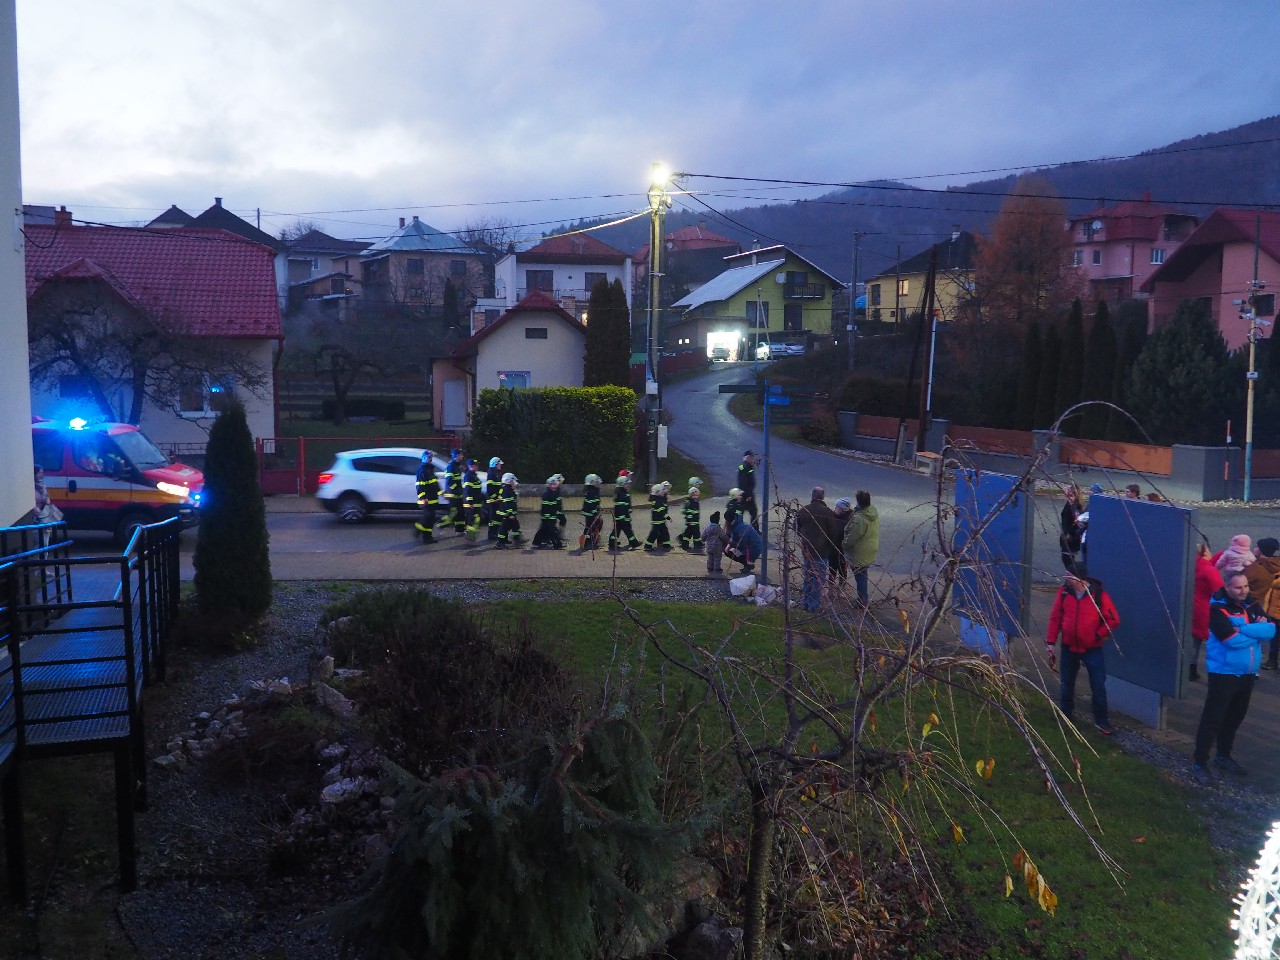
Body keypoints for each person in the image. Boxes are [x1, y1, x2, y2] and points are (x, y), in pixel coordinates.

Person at [1191, 570, 1275, 782]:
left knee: (1235, 717)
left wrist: (1243, 629)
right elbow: (1230, 640)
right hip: (1224, 672)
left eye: (1245, 586)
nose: (1243, 591)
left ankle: (1223, 756)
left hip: (1247, 673)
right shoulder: (1217, 609)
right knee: (1213, 718)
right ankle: (1200, 762)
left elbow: (1270, 630)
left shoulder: (1251, 603)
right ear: (1227, 587)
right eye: (1238, 587)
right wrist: (1255, 632)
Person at [1045, 563, 1121, 736]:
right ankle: (1066, 715)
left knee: (1098, 686)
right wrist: (1050, 642)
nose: (1065, 577)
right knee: (1066, 683)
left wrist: (1097, 635)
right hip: (1069, 647)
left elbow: (1113, 619)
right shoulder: (1064, 593)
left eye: (1069, 575)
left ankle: (1101, 721)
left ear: (1079, 578)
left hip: (1092, 649)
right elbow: (1055, 618)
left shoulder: (1099, 596)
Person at [795, 487, 836, 612]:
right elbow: (833, 533)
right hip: (822, 551)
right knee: (818, 579)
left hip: (807, 550)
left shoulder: (803, 510)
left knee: (808, 578)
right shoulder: (828, 512)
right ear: (823, 497)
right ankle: (813, 605)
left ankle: (806, 602)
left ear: (812, 496)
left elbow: (797, 528)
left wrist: (805, 538)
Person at [1245, 537, 1280, 670]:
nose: (1254, 549)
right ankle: (1272, 660)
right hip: (1269, 607)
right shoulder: (1270, 564)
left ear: (1261, 550)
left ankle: (1269, 662)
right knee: (1274, 637)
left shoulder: (1261, 567)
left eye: (1257, 547)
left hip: (1269, 607)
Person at [1191, 542, 1224, 681]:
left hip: (1194, 607)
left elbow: (1210, 562)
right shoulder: (1209, 570)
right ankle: (1216, 675)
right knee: (1215, 643)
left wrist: (1224, 553)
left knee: (1194, 641)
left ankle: (1190, 669)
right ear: (1205, 552)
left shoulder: (1193, 565)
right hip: (1206, 610)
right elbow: (1219, 591)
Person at [843, 490, 879, 606]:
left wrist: (844, 544)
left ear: (858, 501)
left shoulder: (859, 518)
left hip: (860, 552)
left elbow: (853, 537)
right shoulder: (872, 512)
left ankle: (862, 600)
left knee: (860, 577)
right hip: (870, 548)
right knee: (863, 574)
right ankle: (863, 598)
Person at [608, 470, 641, 551]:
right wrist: (623, 516)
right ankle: (634, 543)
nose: (628, 485)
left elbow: (626, 505)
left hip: (622, 516)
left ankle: (612, 543)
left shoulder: (622, 492)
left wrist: (628, 509)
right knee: (627, 530)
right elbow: (621, 507)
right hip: (622, 517)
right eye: (627, 484)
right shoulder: (621, 494)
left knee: (617, 530)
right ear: (622, 484)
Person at [532, 474, 566, 549]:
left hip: (551, 516)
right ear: (550, 485)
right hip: (548, 517)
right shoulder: (547, 495)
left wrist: (557, 513)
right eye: (554, 484)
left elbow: (555, 506)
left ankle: (536, 543)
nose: (556, 486)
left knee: (543, 530)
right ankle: (557, 545)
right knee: (553, 531)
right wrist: (547, 516)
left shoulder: (553, 493)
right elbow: (545, 507)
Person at [413, 450, 440, 543]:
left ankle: (428, 537)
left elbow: (434, 483)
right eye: (428, 457)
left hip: (432, 498)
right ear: (423, 458)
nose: (430, 459)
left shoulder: (430, 469)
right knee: (427, 518)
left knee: (431, 518)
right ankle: (418, 530)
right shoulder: (422, 470)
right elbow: (419, 485)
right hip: (426, 499)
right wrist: (423, 498)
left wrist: (441, 492)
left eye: (431, 457)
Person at [493, 473, 523, 549]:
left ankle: (516, 540)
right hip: (507, 514)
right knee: (504, 529)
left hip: (508, 514)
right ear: (509, 481)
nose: (514, 483)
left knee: (513, 527)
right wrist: (510, 514)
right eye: (513, 481)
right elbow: (508, 504)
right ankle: (500, 543)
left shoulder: (507, 489)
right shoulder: (507, 490)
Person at [1059, 485, 1084, 573]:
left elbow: (1077, 521)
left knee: (1068, 560)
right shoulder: (1070, 504)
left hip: (1070, 536)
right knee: (1067, 559)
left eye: (1070, 494)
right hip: (1068, 535)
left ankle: (1075, 577)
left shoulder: (1074, 506)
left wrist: (1069, 534)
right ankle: (1073, 576)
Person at [644, 481, 672, 551]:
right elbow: (661, 511)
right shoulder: (658, 501)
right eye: (663, 491)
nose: (664, 492)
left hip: (660, 521)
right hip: (657, 521)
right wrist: (668, 517)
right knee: (654, 534)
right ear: (658, 492)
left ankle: (666, 545)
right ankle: (647, 546)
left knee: (665, 532)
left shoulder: (658, 499)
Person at [442, 448, 465, 533]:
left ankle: (460, 530)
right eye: (461, 454)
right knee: (453, 513)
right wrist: (456, 489)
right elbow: (449, 482)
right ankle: (440, 524)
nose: (462, 456)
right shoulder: (451, 466)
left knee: (460, 512)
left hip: (458, 493)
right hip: (453, 494)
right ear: (456, 456)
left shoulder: (457, 466)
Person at [580, 473, 603, 550]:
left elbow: (596, 503)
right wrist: (595, 512)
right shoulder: (591, 492)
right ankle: (587, 543)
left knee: (597, 524)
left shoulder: (594, 491)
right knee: (589, 527)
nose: (598, 484)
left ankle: (594, 540)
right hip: (590, 514)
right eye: (597, 482)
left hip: (593, 513)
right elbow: (591, 505)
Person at [461, 457, 483, 538]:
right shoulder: (469, 476)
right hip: (471, 503)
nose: (477, 466)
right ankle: (470, 537)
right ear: (470, 466)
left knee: (476, 520)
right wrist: (470, 502)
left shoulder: (473, 475)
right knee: (472, 520)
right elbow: (467, 490)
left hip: (475, 502)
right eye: (475, 465)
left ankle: (471, 536)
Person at [736, 451, 759, 528]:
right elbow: (743, 482)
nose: (753, 459)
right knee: (751, 512)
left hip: (746, 493)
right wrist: (748, 495)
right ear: (747, 457)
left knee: (749, 512)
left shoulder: (749, 466)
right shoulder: (744, 467)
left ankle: (740, 528)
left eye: (753, 457)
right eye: (751, 457)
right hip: (746, 494)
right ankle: (753, 529)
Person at [677, 484, 703, 552]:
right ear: (690, 495)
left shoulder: (696, 502)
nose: (696, 497)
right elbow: (688, 512)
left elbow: (696, 511)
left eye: (697, 495)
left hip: (695, 521)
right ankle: (696, 545)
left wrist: (697, 517)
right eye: (694, 495)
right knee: (695, 534)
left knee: (688, 533)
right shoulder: (690, 503)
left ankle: (685, 543)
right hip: (691, 522)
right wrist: (689, 520)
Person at [485, 456, 505, 540]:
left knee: (496, 517)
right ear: (494, 464)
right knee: (493, 518)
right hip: (493, 501)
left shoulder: (495, 474)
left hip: (496, 500)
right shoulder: (491, 474)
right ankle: (491, 534)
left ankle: (495, 533)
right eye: (499, 464)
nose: (500, 466)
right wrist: (494, 498)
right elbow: (490, 489)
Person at [703, 510, 728, 574]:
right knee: (717, 558)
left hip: (709, 546)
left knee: (710, 557)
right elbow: (724, 536)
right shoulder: (718, 529)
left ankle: (710, 567)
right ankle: (717, 568)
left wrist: (703, 540)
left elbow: (703, 536)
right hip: (717, 547)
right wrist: (728, 540)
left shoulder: (707, 528)